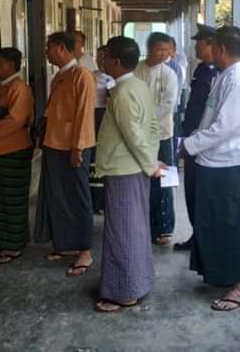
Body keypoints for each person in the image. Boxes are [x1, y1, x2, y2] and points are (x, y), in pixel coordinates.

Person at [180, 25, 240, 311]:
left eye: (211, 45)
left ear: (221, 48)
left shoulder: (237, 80)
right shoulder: (223, 75)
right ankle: (221, 275)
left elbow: (225, 128)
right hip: (214, 162)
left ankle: (239, 288)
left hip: (230, 165)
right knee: (214, 223)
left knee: (233, 226)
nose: (207, 49)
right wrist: (192, 141)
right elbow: (209, 119)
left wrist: (189, 145)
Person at [94, 36, 165, 313]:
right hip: (134, 168)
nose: (102, 60)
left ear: (116, 61)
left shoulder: (123, 92)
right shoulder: (138, 85)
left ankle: (124, 292)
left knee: (122, 231)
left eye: (106, 56)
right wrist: (151, 160)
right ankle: (138, 282)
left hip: (124, 169)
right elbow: (153, 128)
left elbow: (133, 135)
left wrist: (150, 164)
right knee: (134, 228)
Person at [33, 31, 97, 276]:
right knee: (59, 197)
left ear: (61, 48)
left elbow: (84, 114)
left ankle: (85, 250)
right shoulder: (60, 76)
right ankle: (67, 244)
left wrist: (78, 147)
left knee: (78, 197)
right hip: (54, 144)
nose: (46, 53)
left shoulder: (82, 75)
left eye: (48, 48)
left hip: (73, 147)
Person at [0, 48, 35, 265]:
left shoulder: (19, 88)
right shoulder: (5, 87)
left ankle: (13, 245)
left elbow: (15, 121)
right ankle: (2, 241)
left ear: (11, 65)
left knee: (11, 199)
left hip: (13, 152)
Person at [174, 24, 221, 252]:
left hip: (203, 142)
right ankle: (197, 235)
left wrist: (196, 140)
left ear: (211, 45)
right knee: (191, 190)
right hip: (191, 136)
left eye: (199, 43)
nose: (195, 47)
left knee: (202, 193)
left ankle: (205, 239)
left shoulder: (218, 73)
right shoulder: (202, 69)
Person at [134, 32, 178, 245]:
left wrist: (145, 120)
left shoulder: (169, 74)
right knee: (141, 176)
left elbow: (168, 105)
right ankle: (144, 224)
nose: (164, 54)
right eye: (160, 49)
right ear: (149, 48)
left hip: (162, 133)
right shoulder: (136, 70)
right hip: (138, 134)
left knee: (164, 178)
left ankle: (164, 226)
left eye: (167, 50)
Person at [90, 45, 115, 214]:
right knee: (93, 159)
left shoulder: (116, 78)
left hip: (108, 118)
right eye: (98, 57)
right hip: (93, 117)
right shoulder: (91, 76)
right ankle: (95, 200)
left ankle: (106, 200)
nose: (101, 61)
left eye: (104, 57)